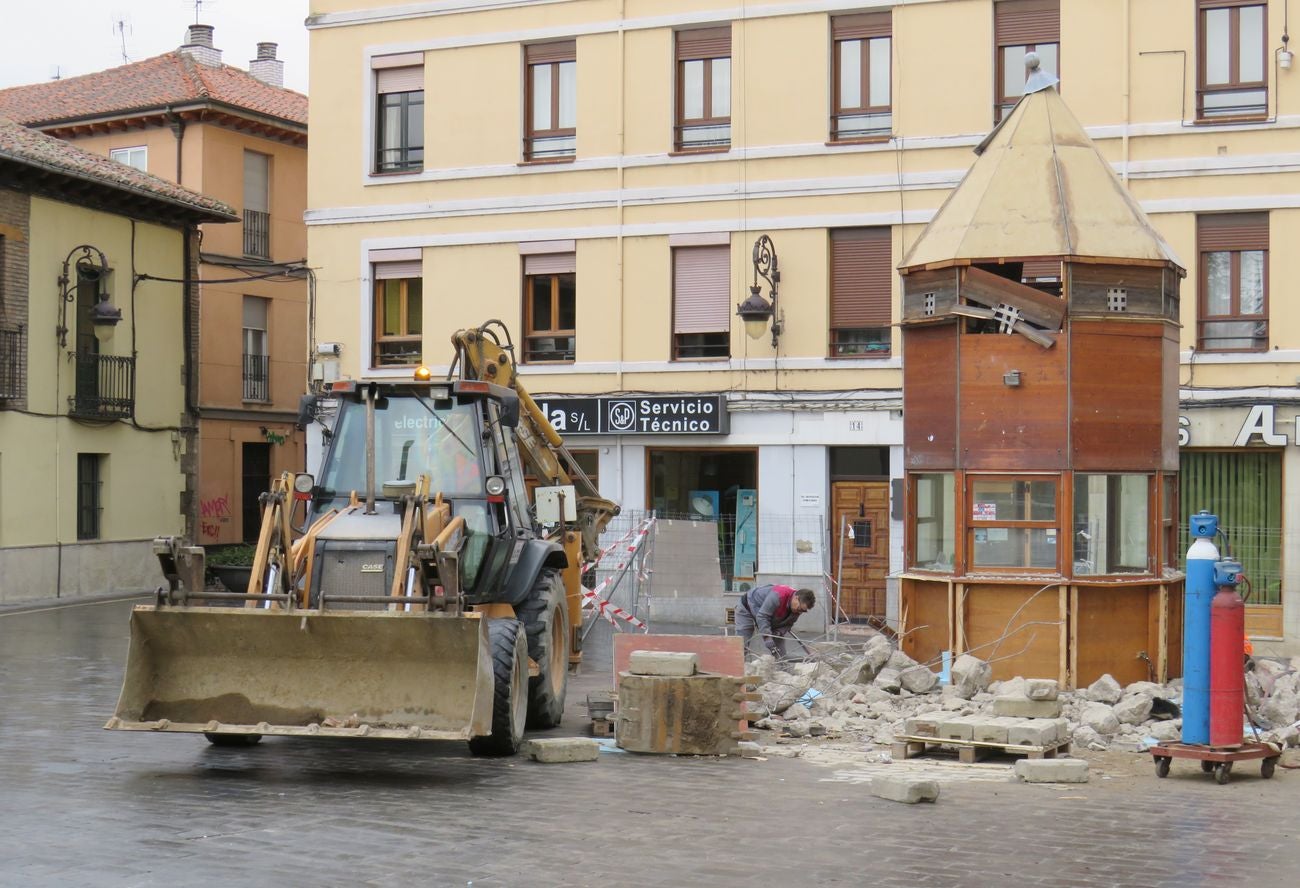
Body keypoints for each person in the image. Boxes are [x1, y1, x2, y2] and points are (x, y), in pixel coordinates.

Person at [734, 584, 815, 659]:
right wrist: (767, 638)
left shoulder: (797, 610)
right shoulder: (778, 596)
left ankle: (783, 670)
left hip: (767, 615)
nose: (799, 612)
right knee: (742, 643)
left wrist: (778, 633)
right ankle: (736, 670)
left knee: (780, 652)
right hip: (747, 607)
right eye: (799, 608)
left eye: (803, 611)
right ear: (796, 598)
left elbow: (788, 624)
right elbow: (762, 616)